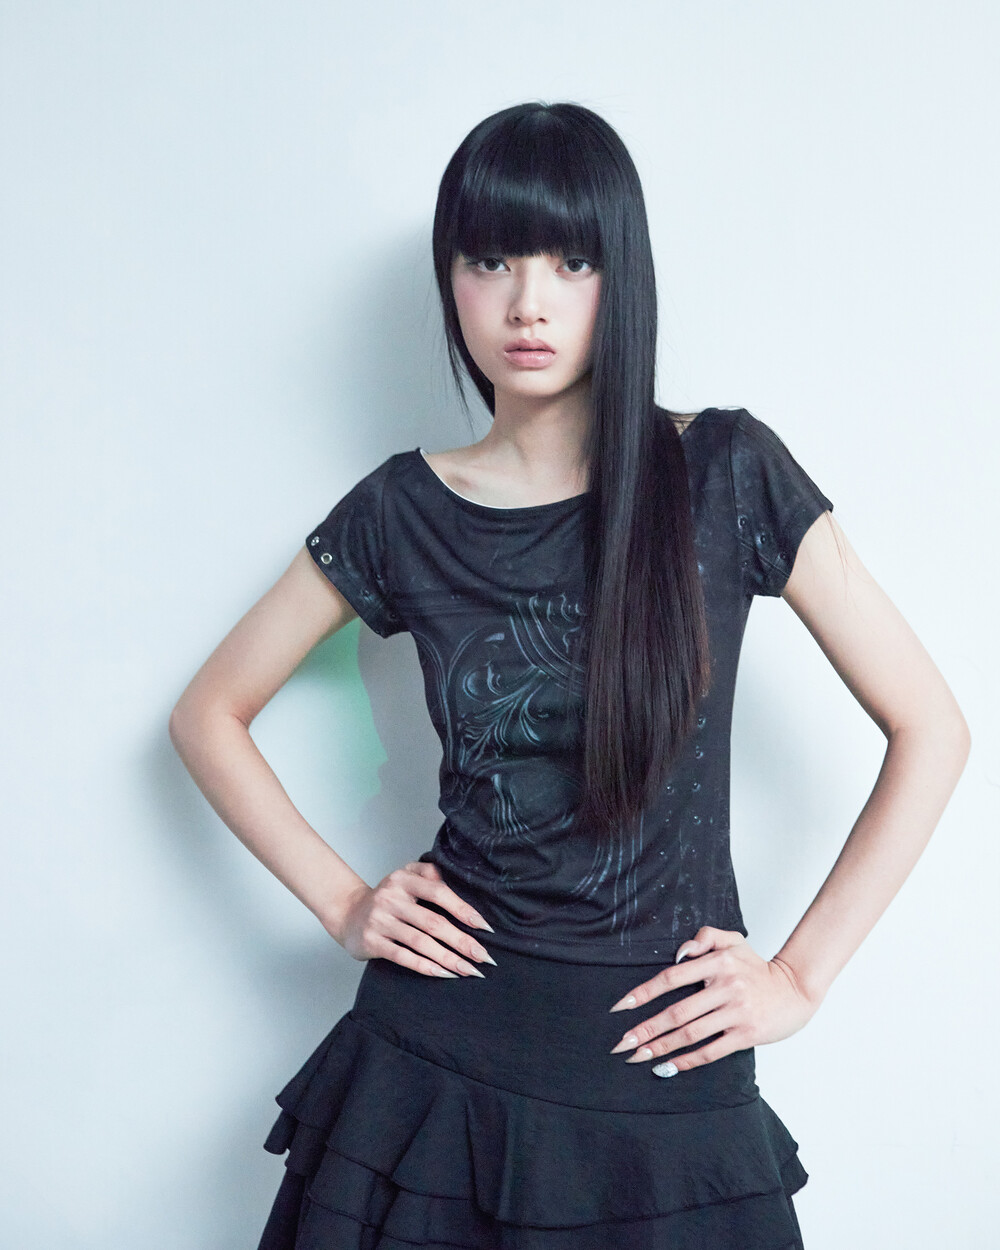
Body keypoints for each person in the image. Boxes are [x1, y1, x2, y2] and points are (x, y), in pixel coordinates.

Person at [168, 101, 970, 1250]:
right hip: (433, 1064)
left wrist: (799, 975)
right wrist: (345, 901)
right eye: (490, 260)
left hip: (664, 1070)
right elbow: (209, 712)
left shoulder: (726, 469)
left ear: (620, 276)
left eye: (570, 261)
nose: (527, 302)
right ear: (451, 278)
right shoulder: (402, 509)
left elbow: (931, 726)